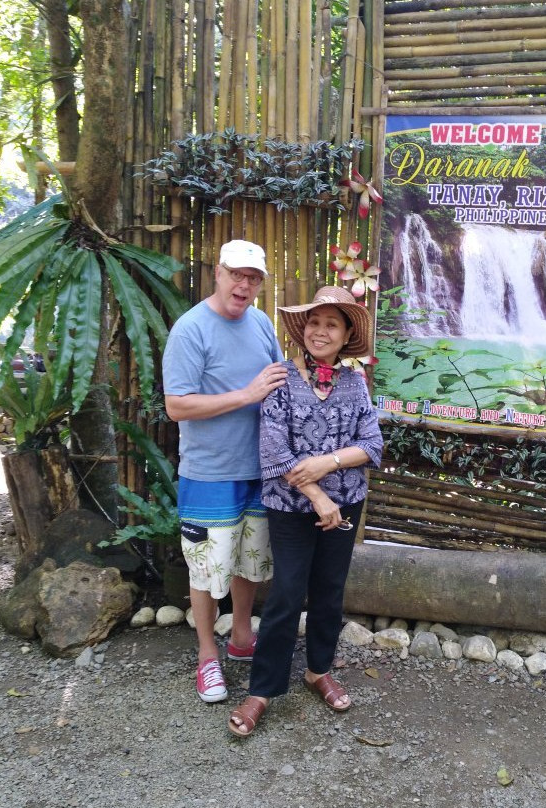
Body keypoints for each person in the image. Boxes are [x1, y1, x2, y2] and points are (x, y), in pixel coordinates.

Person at [228, 285, 383, 737]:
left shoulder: (356, 383)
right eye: (314, 322)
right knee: (286, 593)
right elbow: (274, 453)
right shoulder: (278, 377)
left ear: (346, 333)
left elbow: (372, 445)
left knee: (330, 590)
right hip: (291, 507)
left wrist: (329, 462)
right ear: (302, 330)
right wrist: (318, 494)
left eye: (331, 323)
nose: (321, 331)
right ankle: (262, 689)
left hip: (347, 502)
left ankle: (318, 670)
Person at [162, 240, 288, 703]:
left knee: (251, 558)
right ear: (218, 272)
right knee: (206, 568)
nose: (244, 285)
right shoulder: (191, 330)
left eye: (253, 278)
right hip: (210, 471)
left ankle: (239, 638)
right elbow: (177, 406)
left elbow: (276, 380)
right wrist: (246, 395)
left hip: (260, 467)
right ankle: (206, 656)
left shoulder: (260, 323)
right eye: (237, 274)